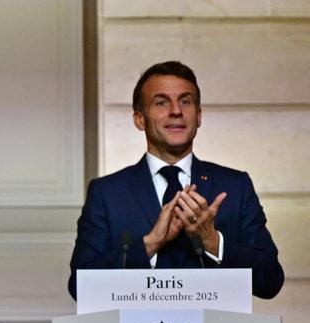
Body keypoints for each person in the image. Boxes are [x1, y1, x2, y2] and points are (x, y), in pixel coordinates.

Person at [68, 60, 284, 299]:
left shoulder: (234, 186)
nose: (176, 111)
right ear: (139, 119)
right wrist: (151, 243)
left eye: (185, 101)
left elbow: (270, 281)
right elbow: (80, 286)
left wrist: (212, 241)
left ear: (199, 116)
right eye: (161, 102)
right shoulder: (107, 193)